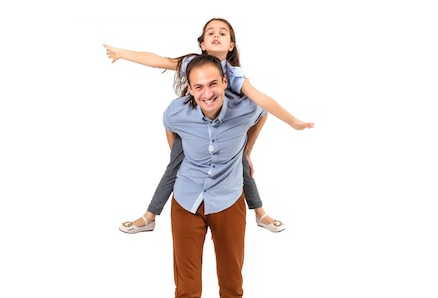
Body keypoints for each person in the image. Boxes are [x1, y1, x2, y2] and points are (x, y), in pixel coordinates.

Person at [104, 18, 313, 234]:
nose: (216, 36)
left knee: (242, 166)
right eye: (210, 33)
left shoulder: (234, 74)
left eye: (223, 34)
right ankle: (149, 216)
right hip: (197, 129)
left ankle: (260, 212)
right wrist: (122, 53)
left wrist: (291, 123)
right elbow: (158, 60)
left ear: (231, 45)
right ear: (202, 43)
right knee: (173, 167)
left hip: (227, 131)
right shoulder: (190, 63)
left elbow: (262, 102)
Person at [164, 53, 273, 298]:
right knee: (187, 291)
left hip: (228, 201)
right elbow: (173, 140)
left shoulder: (245, 108)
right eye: (199, 86)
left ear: (225, 82)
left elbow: (262, 113)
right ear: (190, 89)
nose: (207, 92)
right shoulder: (175, 112)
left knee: (232, 282)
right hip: (187, 202)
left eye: (213, 83)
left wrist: (246, 152)